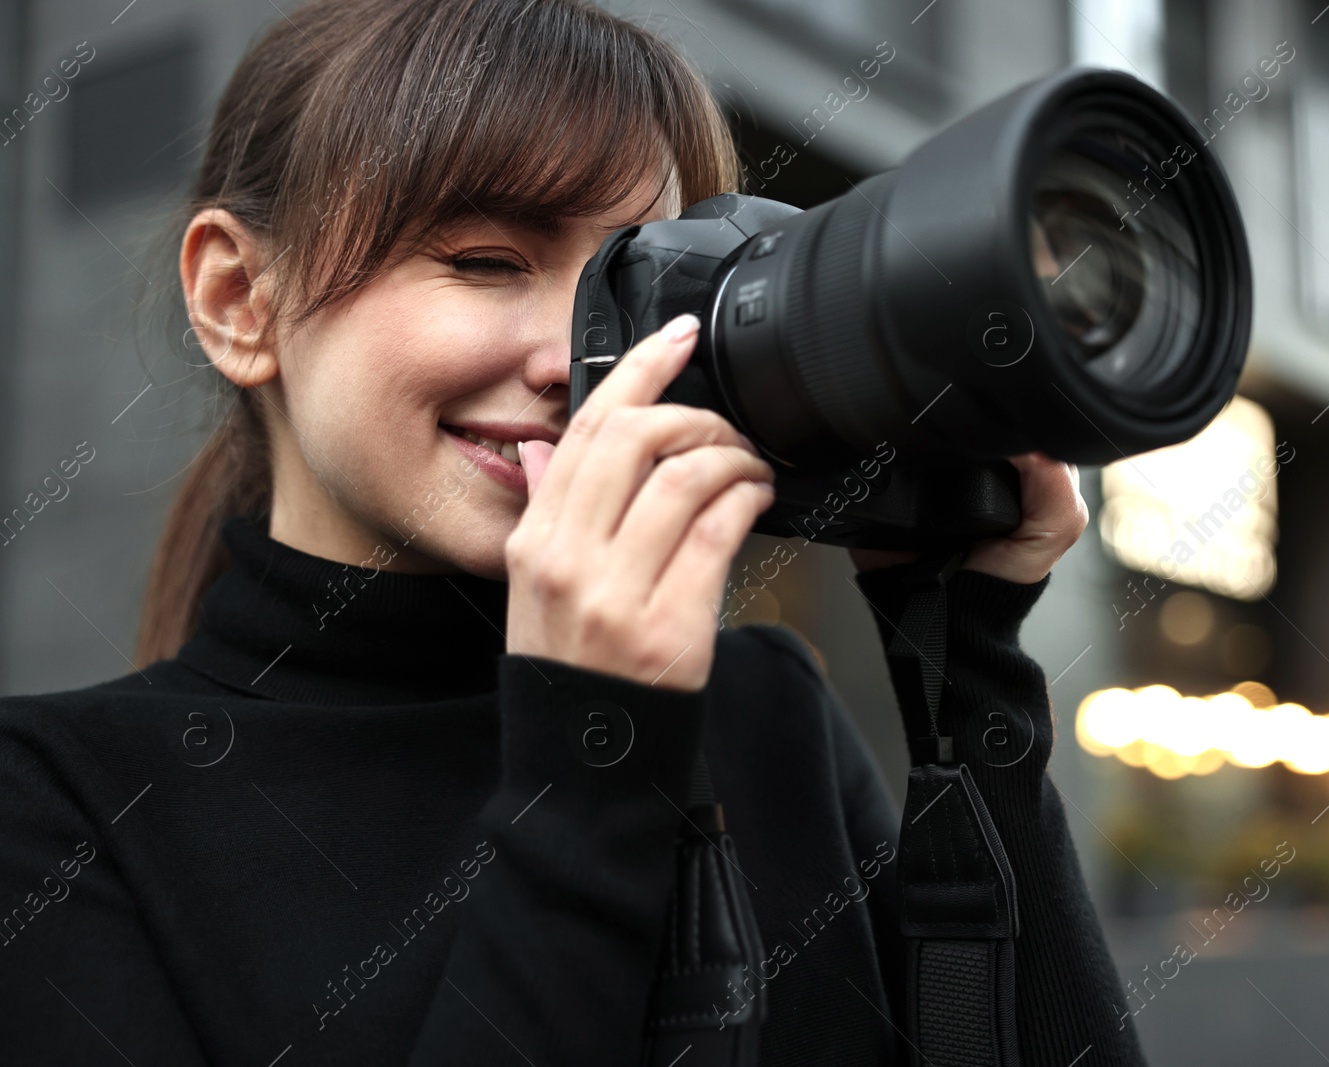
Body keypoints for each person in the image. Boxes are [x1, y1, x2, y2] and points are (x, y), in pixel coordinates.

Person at [0, 1, 1145, 1063]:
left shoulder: (765, 707)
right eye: (486, 261)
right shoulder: (61, 800)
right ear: (237, 301)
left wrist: (969, 674)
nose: (572, 357)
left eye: (633, 280)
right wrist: (595, 767)